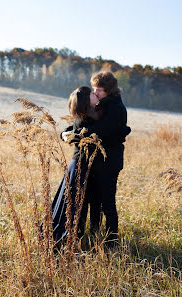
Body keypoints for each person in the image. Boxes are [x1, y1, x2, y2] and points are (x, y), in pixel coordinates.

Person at [76, 71, 131, 247]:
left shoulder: (115, 107)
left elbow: (99, 131)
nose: (95, 92)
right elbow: (86, 123)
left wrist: (76, 135)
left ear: (109, 90)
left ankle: (111, 241)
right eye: (94, 88)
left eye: (99, 89)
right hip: (97, 163)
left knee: (107, 202)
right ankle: (94, 235)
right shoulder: (101, 104)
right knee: (93, 200)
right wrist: (68, 131)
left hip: (109, 164)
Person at [51, 86, 101, 246]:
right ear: (87, 100)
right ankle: (66, 238)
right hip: (80, 164)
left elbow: (69, 132)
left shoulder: (89, 115)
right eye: (92, 93)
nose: (96, 93)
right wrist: (66, 135)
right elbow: (74, 132)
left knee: (76, 202)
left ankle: (75, 237)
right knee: (73, 203)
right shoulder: (86, 119)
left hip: (81, 164)